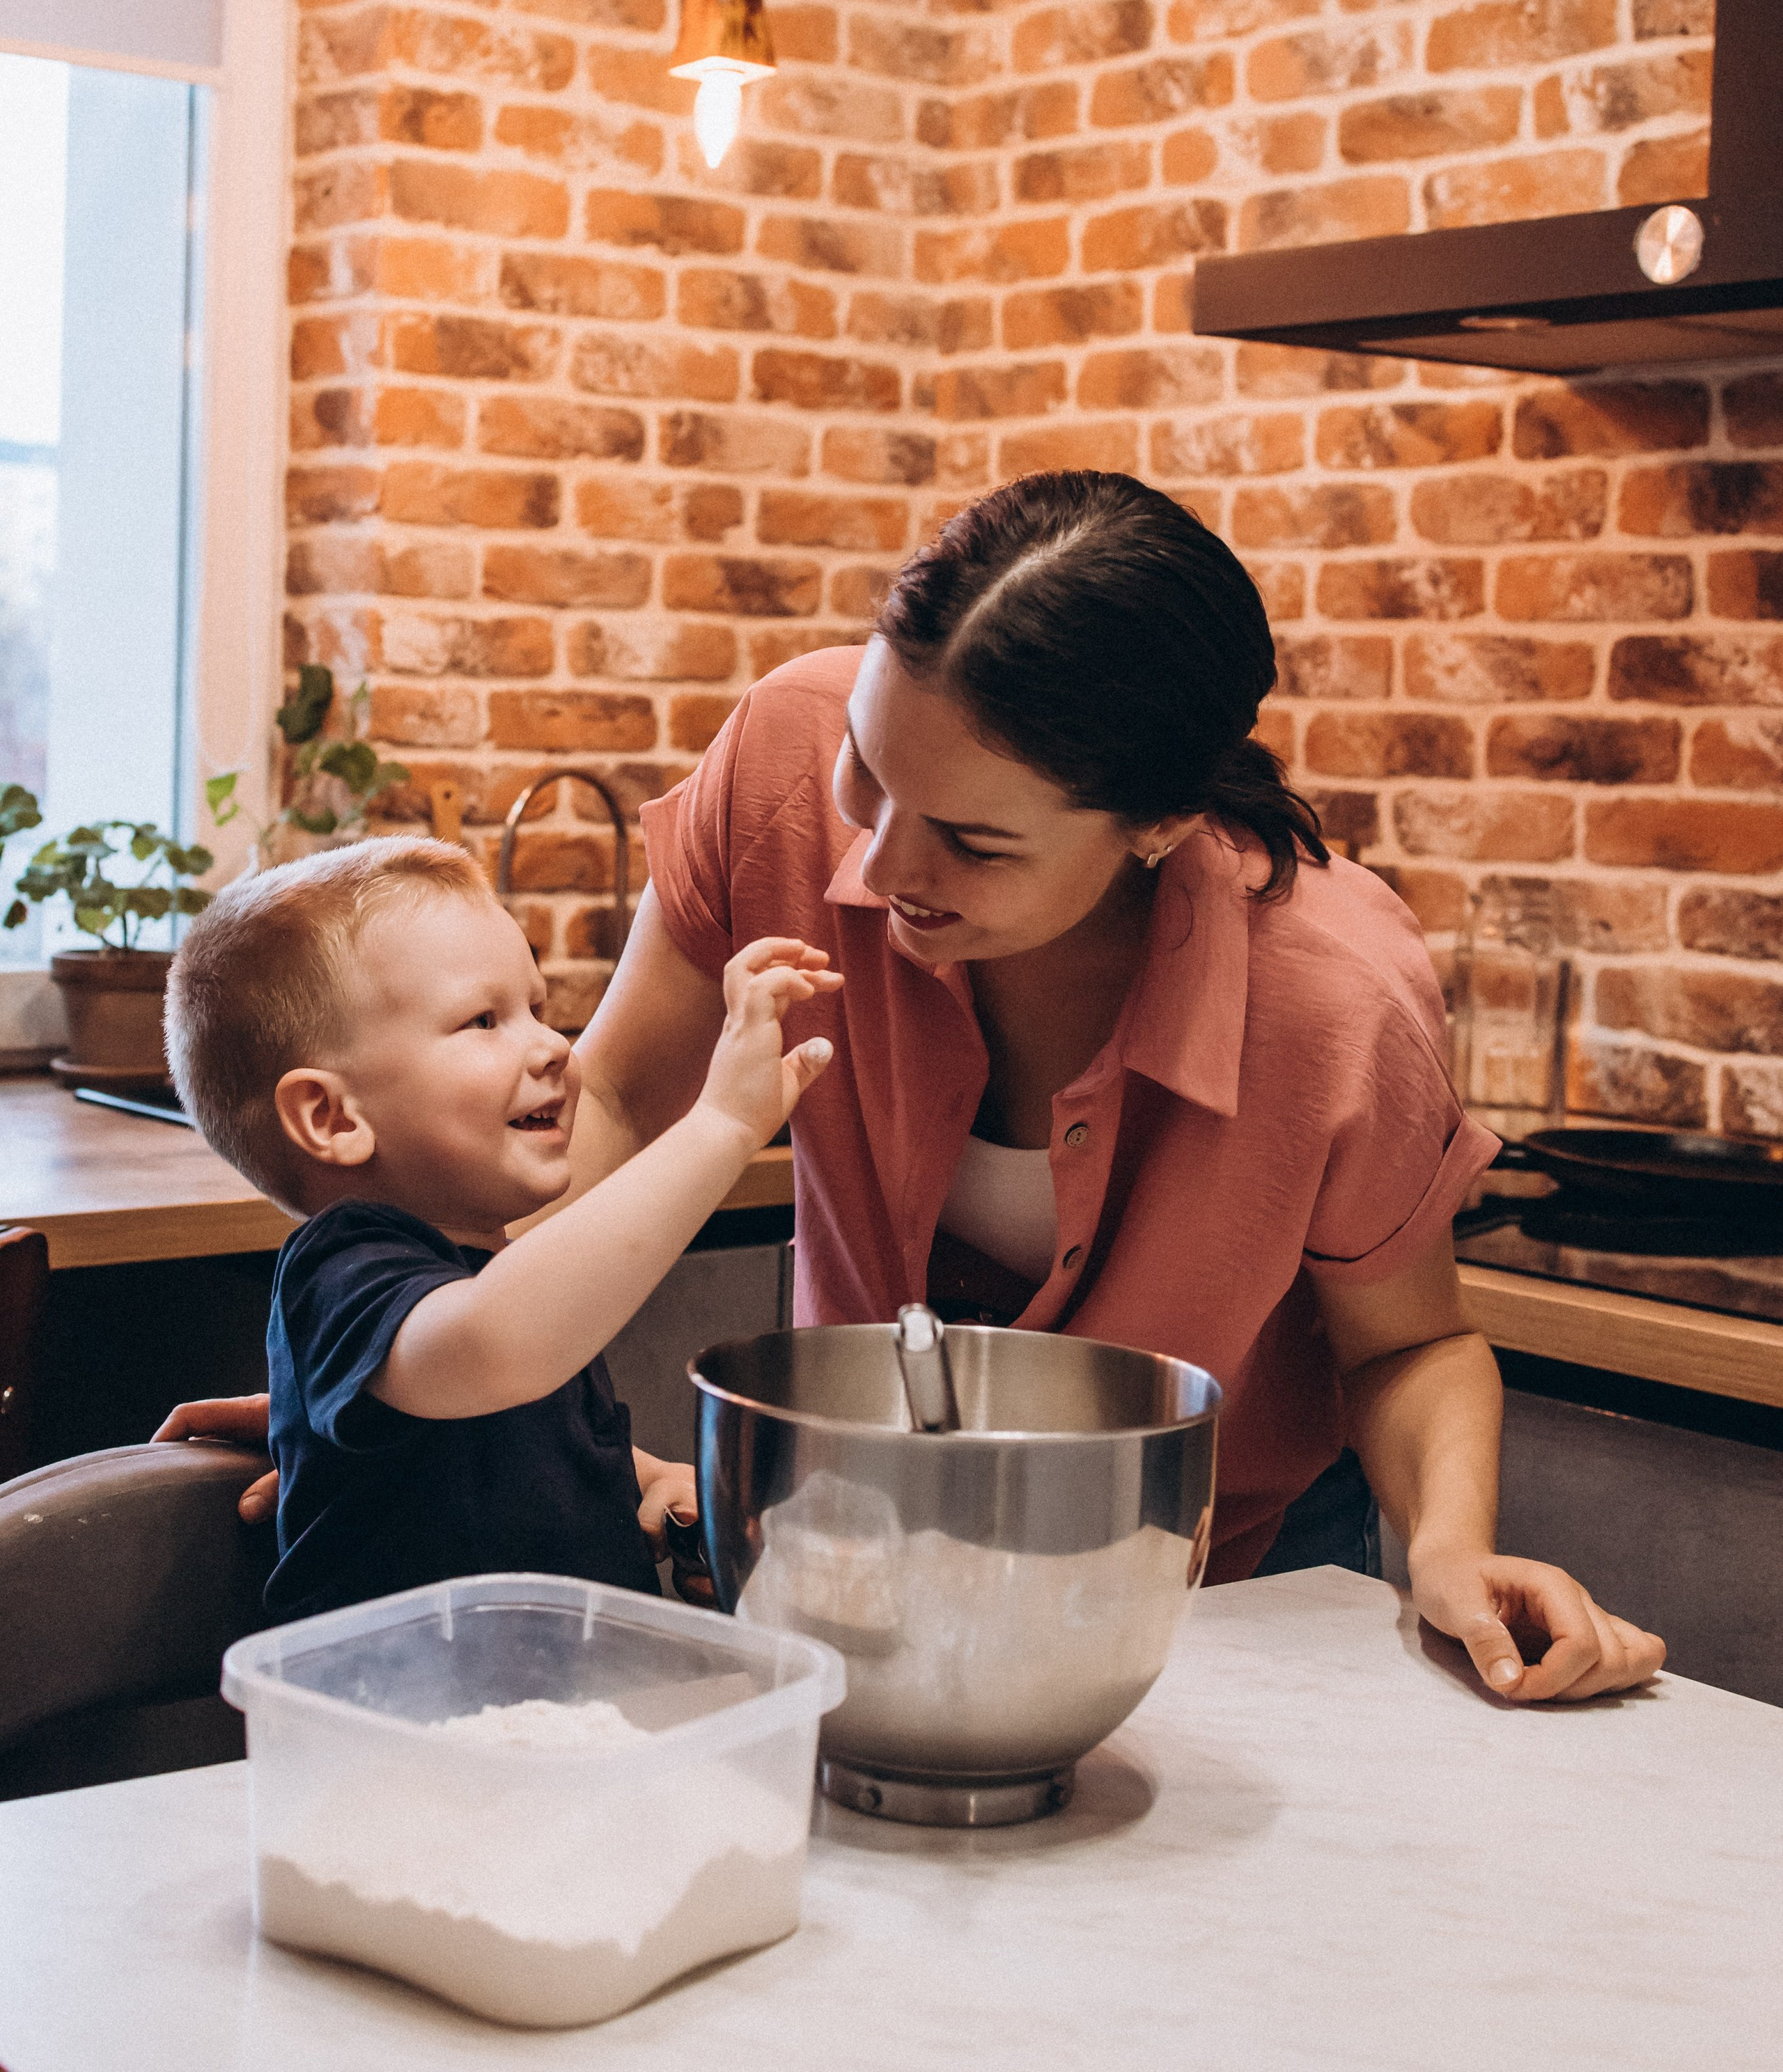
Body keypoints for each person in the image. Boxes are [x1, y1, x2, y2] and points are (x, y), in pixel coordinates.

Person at [164, 474, 1663, 1702]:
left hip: (1196, 1594)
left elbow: (1410, 1346)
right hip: (848, 1567)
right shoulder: (779, 759)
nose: (876, 869)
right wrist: (424, 1395)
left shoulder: (1336, 999)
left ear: (1154, 824)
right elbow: (610, 1106)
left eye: (974, 841)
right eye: (868, 778)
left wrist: (1448, 1544)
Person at [162, 836, 836, 1622]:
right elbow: (493, 1347)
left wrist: (648, 1482)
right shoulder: (342, 1267)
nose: (552, 1047)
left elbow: (522, 1444)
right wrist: (719, 1125)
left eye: (537, 1010)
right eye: (483, 1020)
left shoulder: (501, 1275)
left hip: (558, 1689)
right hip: (396, 1699)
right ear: (332, 1117)